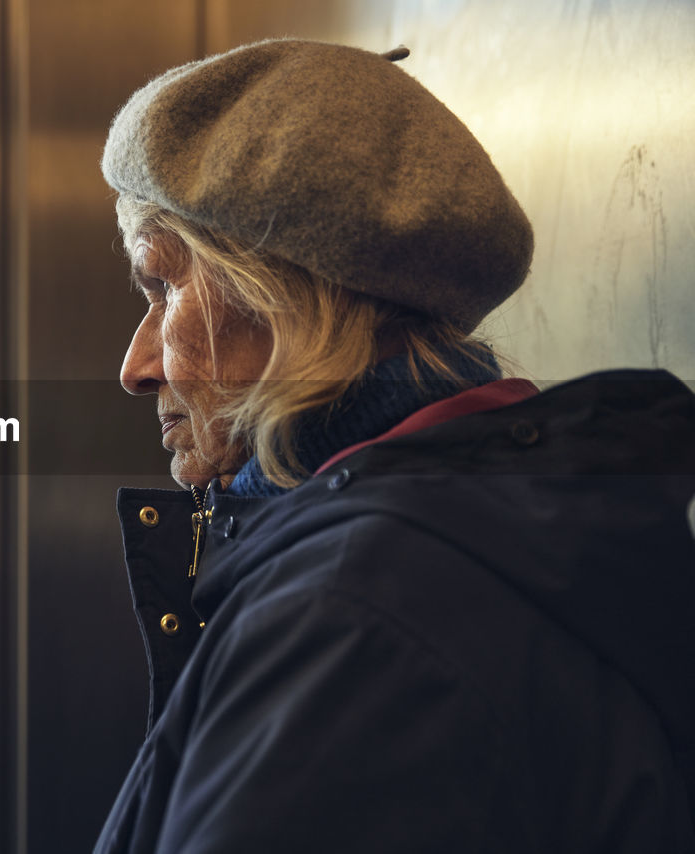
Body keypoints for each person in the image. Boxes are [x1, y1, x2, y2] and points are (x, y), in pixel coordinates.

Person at [96, 38, 695, 853]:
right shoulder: (468, 536)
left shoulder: (353, 621)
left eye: (164, 286)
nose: (136, 367)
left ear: (286, 300)